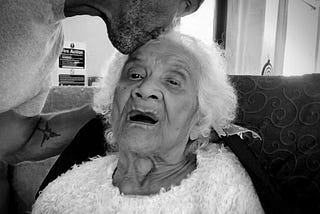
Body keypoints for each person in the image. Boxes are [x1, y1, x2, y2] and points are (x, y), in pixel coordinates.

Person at [0, 0, 204, 212]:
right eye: (187, 3)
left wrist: (119, 106)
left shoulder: (48, 43)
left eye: (172, 81)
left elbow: (17, 142)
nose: (173, 23)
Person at [32, 31, 264, 214]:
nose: (144, 89)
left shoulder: (223, 188)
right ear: (112, 107)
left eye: (173, 81)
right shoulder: (63, 194)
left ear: (198, 121)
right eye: (134, 75)